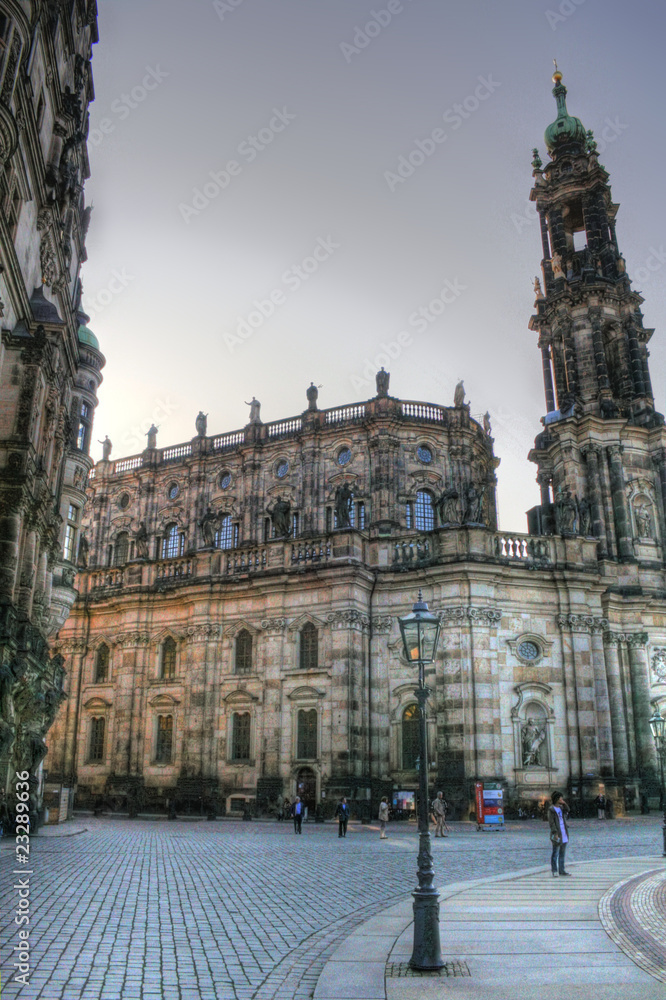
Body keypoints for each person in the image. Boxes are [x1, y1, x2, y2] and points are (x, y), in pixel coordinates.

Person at [548, 791, 571, 877]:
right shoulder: (551, 809)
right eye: (560, 798)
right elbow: (551, 822)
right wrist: (555, 832)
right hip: (557, 833)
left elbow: (568, 810)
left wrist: (564, 803)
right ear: (556, 799)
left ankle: (562, 870)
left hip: (564, 831)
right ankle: (554, 870)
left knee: (562, 853)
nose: (562, 799)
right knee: (555, 853)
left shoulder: (561, 808)